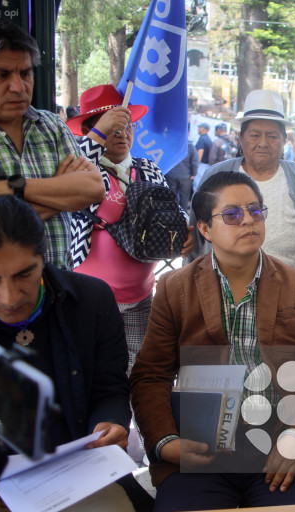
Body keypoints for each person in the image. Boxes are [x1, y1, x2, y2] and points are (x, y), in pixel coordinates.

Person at [130, 171, 295, 512]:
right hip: (200, 448)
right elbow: (151, 375)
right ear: (204, 228)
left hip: (280, 439)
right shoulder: (175, 288)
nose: (248, 221)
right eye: (232, 214)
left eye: (255, 211)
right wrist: (167, 444)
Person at [0, 195, 133, 512]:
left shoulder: (91, 300)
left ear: (44, 258)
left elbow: (109, 388)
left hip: (74, 472)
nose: (9, 297)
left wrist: (110, 423)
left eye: (24, 275)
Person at [66, 84, 193, 371]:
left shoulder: (148, 168)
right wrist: (99, 134)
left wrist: (182, 229)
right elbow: (70, 168)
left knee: (137, 378)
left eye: (128, 126)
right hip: (89, 302)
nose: (122, 134)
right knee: (92, 379)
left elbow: (171, 211)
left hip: (141, 297)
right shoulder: (80, 169)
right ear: (92, 130)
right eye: (113, 127)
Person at [197, 90, 295, 341]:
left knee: (289, 373)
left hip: (293, 298)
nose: (264, 142)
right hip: (230, 297)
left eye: (272, 135)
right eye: (255, 135)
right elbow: (198, 238)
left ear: (284, 140)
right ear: (241, 138)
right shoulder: (218, 175)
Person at [0, 16, 104, 271]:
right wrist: (59, 196)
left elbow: (92, 188)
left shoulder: (50, 125)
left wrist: (12, 188)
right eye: (1, 75)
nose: (18, 86)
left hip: (58, 288)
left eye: (25, 73)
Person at [165, 140, 199, 210]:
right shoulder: (190, 146)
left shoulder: (170, 144)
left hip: (171, 175)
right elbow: (195, 162)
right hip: (185, 176)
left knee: (171, 197)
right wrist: (193, 174)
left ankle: (171, 213)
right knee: (184, 198)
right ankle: (183, 216)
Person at [195, 122, 213, 190]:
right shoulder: (208, 139)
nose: (198, 129)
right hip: (206, 165)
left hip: (201, 165)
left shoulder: (202, 139)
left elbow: (200, 152)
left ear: (204, 129)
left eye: (200, 127)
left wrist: (196, 164)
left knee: (197, 185)